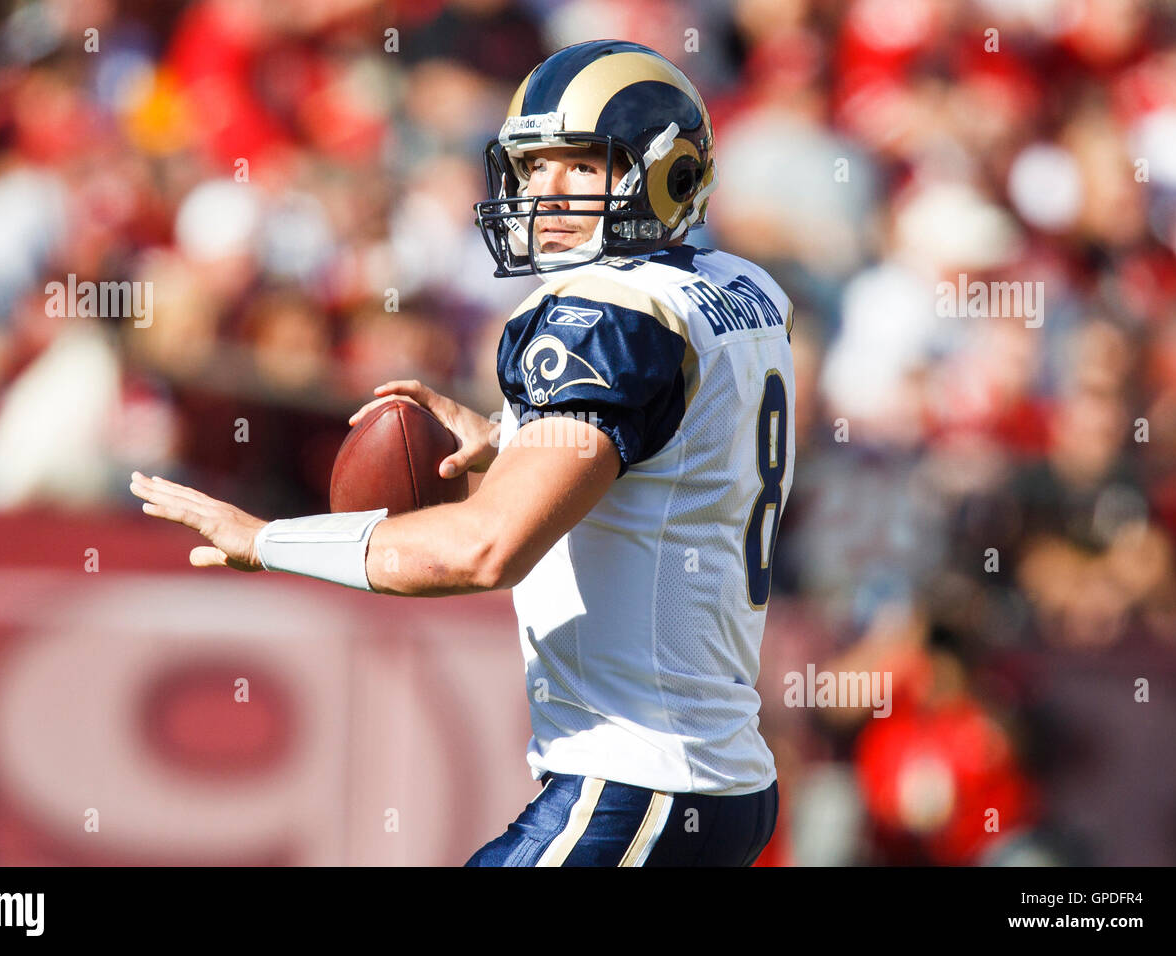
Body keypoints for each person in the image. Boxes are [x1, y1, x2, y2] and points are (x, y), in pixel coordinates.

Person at [130, 39, 795, 866]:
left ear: (672, 176)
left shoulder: (607, 313)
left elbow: (485, 551)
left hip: (635, 784)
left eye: (581, 168)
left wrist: (266, 540)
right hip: (721, 782)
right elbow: (677, 452)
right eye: (533, 166)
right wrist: (516, 439)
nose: (543, 193)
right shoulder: (742, 290)